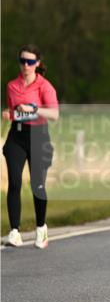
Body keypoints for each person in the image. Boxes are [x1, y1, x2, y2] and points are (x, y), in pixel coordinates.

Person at [3, 45, 58, 248]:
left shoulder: (45, 86)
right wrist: (9, 114)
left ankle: (41, 228)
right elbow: (13, 111)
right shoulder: (12, 86)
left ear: (37, 64)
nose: (26, 65)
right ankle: (14, 231)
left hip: (39, 136)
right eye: (23, 61)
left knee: (38, 186)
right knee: (15, 183)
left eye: (30, 62)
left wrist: (34, 109)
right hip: (17, 136)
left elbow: (54, 115)